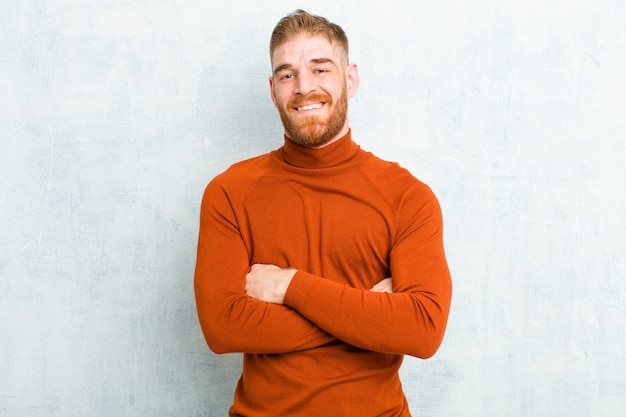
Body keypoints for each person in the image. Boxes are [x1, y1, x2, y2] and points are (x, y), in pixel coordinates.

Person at [194, 9, 452, 417]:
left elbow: (422, 329)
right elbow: (222, 327)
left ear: (350, 78)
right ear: (273, 89)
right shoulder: (230, 192)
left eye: (320, 69)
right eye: (287, 74)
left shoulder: (407, 196)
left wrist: (289, 286)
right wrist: (368, 312)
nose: (304, 87)